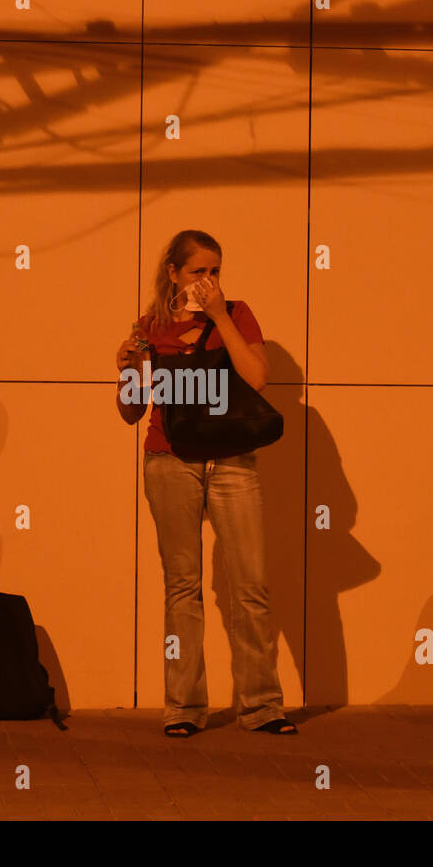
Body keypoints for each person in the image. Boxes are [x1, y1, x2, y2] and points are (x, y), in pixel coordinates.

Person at [114, 229, 294, 737]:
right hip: (170, 460)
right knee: (183, 587)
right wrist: (125, 370)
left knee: (251, 584)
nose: (208, 281)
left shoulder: (236, 314)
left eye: (216, 270)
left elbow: (257, 378)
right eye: (198, 271)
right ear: (173, 273)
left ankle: (261, 706)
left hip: (232, 459)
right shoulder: (149, 328)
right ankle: (184, 708)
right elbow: (132, 411)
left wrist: (216, 315)